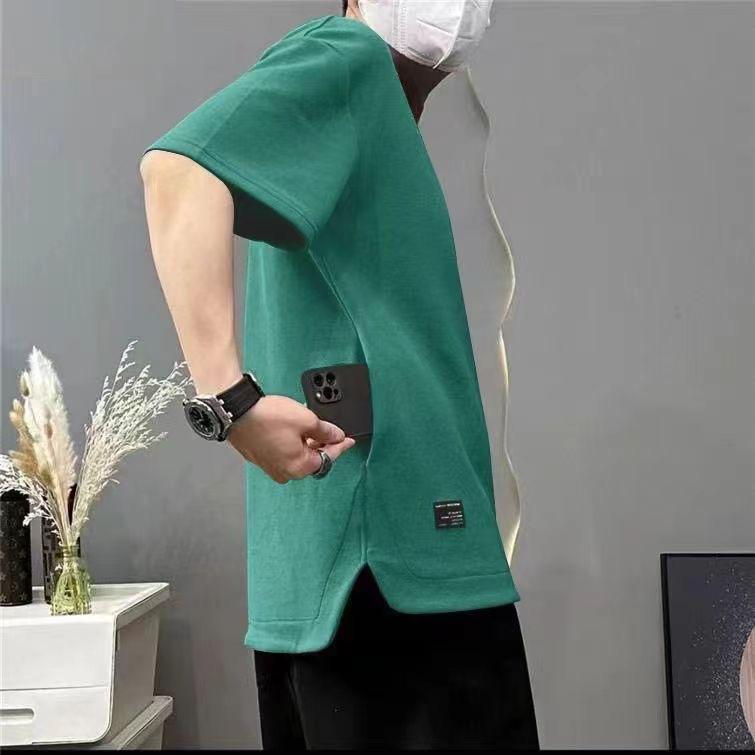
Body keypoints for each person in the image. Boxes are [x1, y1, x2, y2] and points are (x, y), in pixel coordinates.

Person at [140, 0, 539, 749]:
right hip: (389, 579)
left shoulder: (366, 112)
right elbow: (175, 173)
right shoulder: (345, 57)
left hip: (360, 578)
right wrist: (231, 402)